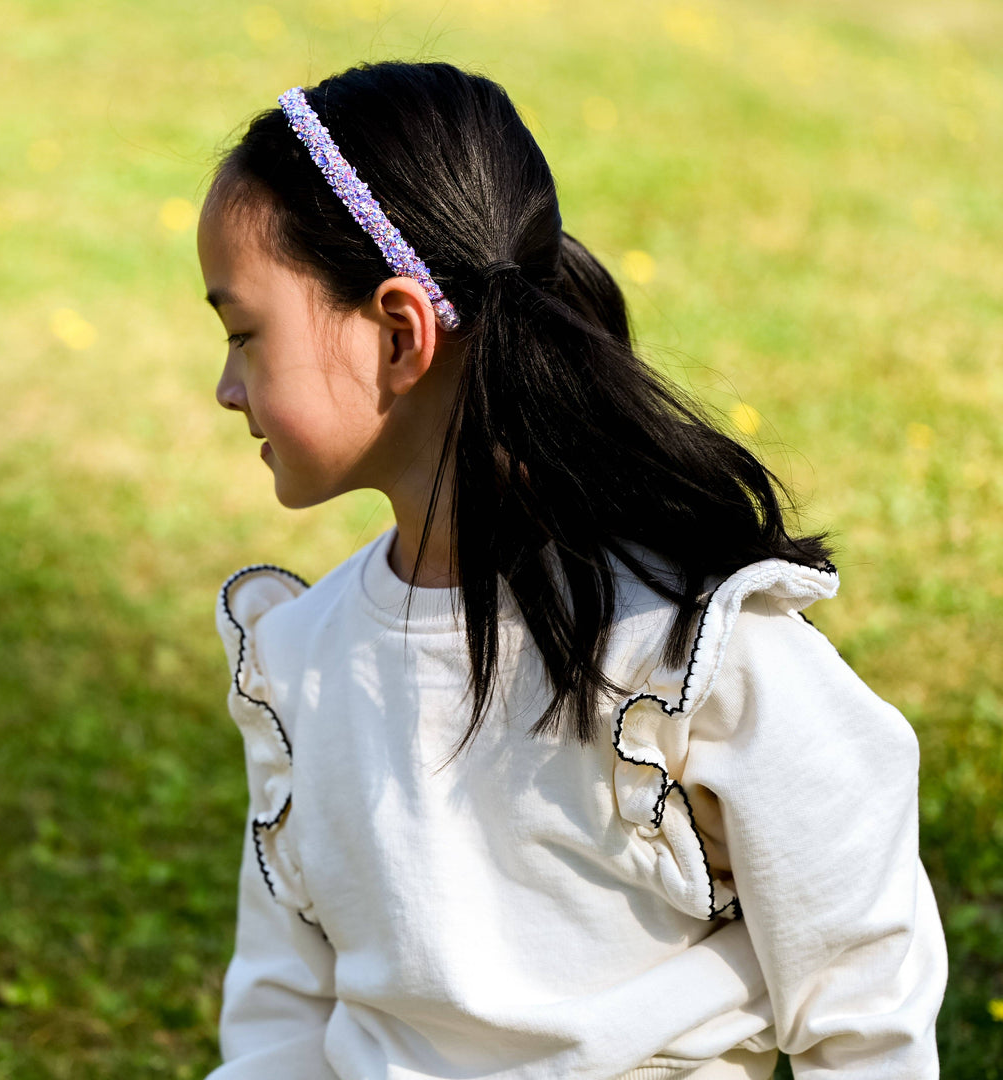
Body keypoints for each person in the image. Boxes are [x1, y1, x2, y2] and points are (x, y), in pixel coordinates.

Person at [196, 61, 948, 1080]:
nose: (226, 386)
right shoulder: (300, 662)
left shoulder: (683, 646)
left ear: (401, 334)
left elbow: (862, 989)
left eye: (244, 333)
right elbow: (284, 1007)